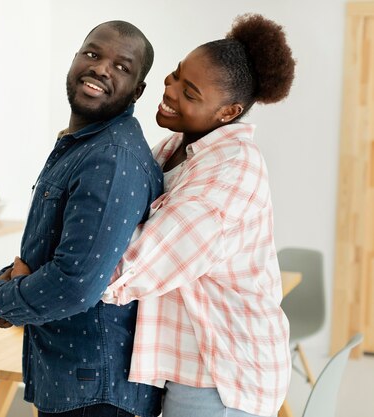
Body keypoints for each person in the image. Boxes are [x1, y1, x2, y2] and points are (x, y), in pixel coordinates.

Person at [99, 13, 296, 417]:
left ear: (228, 112)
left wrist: (48, 284)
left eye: (189, 93)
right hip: (191, 365)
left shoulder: (228, 172)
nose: (169, 90)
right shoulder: (175, 146)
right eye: (175, 76)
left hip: (223, 376)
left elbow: (139, 263)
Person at [0, 21, 164, 417]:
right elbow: (60, 250)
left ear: (138, 90)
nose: (101, 69)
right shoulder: (85, 146)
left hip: (97, 393)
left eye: (121, 67)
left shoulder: (111, 159)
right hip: (74, 381)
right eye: (93, 54)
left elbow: (75, 284)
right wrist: (2, 280)